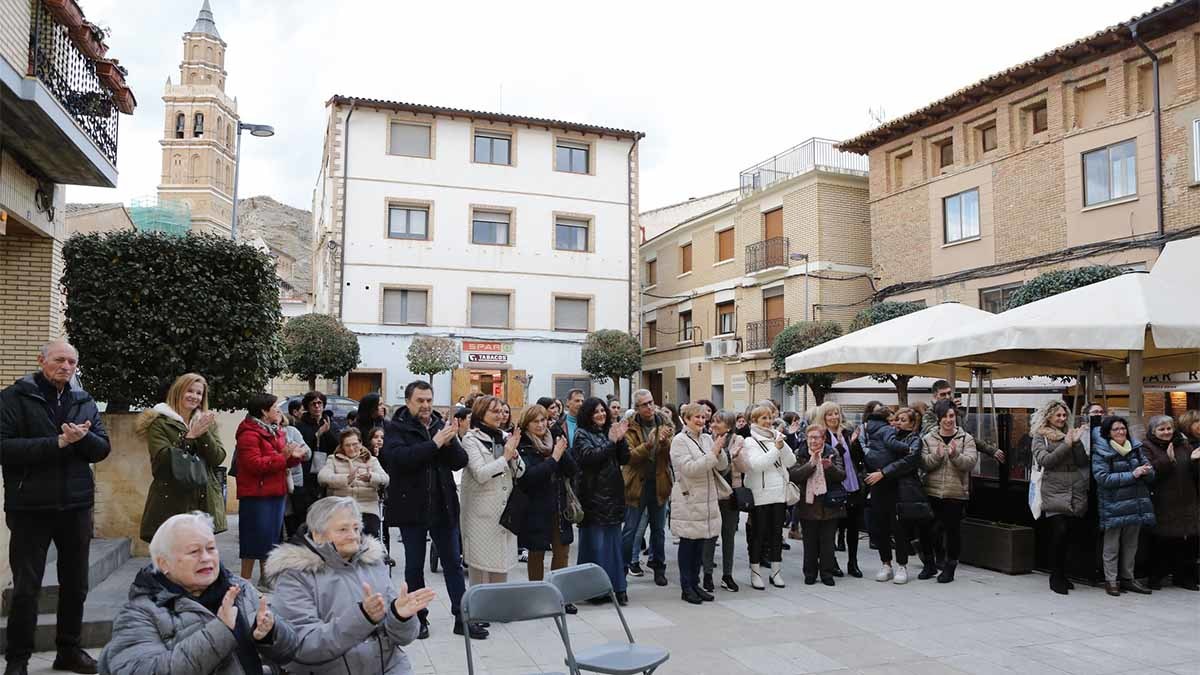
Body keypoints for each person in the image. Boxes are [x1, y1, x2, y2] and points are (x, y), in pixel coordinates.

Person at [0, 340, 110, 675]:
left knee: (75, 584)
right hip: (30, 507)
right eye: (59, 359)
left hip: (76, 506)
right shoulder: (13, 398)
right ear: (41, 361)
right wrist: (58, 442)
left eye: (72, 362)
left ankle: (69, 651)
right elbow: (4, 447)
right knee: (25, 588)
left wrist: (82, 439)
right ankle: (18, 660)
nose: (66, 366)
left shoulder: (83, 400)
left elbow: (101, 448)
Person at [99, 512, 298, 675]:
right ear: (163, 563)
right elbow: (140, 670)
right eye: (194, 552)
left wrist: (269, 634)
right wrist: (219, 632)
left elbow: (290, 650)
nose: (206, 558)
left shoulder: (239, 588)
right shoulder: (140, 613)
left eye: (211, 548)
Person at [265, 497, 435, 674]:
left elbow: (403, 638)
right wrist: (362, 618)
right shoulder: (295, 576)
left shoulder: (372, 562)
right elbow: (304, 645)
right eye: (343, 529)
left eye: (356, 528)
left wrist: (400, 616)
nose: (353, 535)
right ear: (318, 534)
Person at [381, 381, 478, 639]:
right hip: (411, 508)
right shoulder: (395, 428)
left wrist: (450, 443)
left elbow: (460, 463)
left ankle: (462, 617)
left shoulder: (438, 424)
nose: (425, 406)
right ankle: (418, 619)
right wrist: (435, 444)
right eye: (420, 401)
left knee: (453, 564)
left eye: (429, 400)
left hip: (443, 506)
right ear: (408, 402)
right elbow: (399, 460)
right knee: (414, 567)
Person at [137, 373, 226, 545]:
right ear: (178, 391)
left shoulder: (206, 421)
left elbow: (218, 458)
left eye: (199, 393)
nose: (194, 396)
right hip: (171, 500)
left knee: (199, 554)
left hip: (203, 499)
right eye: (190, 391)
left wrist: (203, 432)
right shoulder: (158, 422)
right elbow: (162, 459)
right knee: (174, 556)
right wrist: (190, 437)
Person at [235, 393, 307, 582]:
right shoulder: (248, 434)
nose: (279, 411)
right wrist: (284, 456)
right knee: (252, 540)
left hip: (276, 491)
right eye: (275, 407)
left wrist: (294, 456)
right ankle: (245, 581)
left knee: (270, 539)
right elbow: (254, 465)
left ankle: (266, 579)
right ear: (264, 411)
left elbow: (281, 462)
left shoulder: (275, 431)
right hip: (256, 494)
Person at [515, 405, 577, 611]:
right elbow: (529, 478)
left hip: (559, 505)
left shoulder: (554, 440)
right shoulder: (522, 445)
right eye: (536, 421)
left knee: (562, 551)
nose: (541, 425)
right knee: (537, 553)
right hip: (535, 507)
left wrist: (562, 451)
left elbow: (573, 470)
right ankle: (537, 597)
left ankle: (560, 596)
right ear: (526, 424)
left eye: (544, 420)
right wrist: (554, 458)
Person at [459, 396, 526, 585]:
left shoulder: (504, 437)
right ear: (481, 414)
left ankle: (498, 612)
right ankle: (478, 614)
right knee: (480, 574)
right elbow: (480, 473)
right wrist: (505, 457)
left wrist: (514, 456)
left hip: (505, 515)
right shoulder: (471, 440)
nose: (500, 416)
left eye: (502, 411)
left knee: (501, 570)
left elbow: (520, 472)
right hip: (481, 516)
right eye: (494, 412)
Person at [573, 396, 631, 605]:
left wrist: (621, 439)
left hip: (613, 496)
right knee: (595, 545)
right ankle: (594, 590)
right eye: (596, 411)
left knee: (613, 545)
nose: (601, 414)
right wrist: (611, 442)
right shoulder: (581, 434)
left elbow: (624, 459)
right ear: (588, 415)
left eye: (603, 411)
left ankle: (617, 586)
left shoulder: (610, 431)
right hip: (593, 497)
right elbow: (590, 458)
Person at [669, 403, 728, 604]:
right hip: (689, 499)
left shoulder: (705, 438)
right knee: (688, 544)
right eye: (697, 418)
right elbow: (690, 469)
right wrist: (713, 453)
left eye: (704, 418)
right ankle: (687, 587)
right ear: (686, 419)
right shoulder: (679, 441)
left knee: (700, 544)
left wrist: (719, 452)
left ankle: (696, 584)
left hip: (706, 499)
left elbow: (721, 466)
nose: (702, 421)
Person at [1092, 415, 1156, 596]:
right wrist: (1133, 475)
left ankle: (1128, 578)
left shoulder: (1135, 448)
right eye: (1116, 429)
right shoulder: (1102, 451)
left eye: (1123, 428)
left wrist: (1147, 472)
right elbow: (1102, 478)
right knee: (1111, 545)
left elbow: (1150, 472)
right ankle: (1111, 581)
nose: (1121, 432)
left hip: (1136, 502)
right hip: (1113, 504)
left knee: (1131, 544)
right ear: (1108, 433)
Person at [1029, 400, 1089, 594]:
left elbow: (1081, 461)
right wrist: (1066, 444)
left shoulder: (1069, 434)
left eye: (1064, 415)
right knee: (1059, 533)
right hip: (1053, 488)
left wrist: (1077, 443)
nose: (1062, 419)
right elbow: (1045, 460)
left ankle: (1063, 574)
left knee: (1069, 535)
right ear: (1049, 417)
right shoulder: (1040, 436)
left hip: (1074, 488)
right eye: (1058, 416)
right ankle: (1055, 575)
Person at [862, 407, 927, 584]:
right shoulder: (886, 434)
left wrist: (883, 472)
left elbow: (909, 461)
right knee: (880, 527)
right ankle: (885, 564)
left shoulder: (913, 439)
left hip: (900, 488)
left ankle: (902, 565)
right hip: (880, 487)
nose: (897, 422)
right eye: (896, 419)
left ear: (913, 423)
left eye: (903, 420)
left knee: (899, 528)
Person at [919, 399, 978, 584]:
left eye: (951, 416)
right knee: (929, 530)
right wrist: (936, 456)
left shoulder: (965, 438)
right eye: (944, 416)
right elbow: (924, 464)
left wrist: (954, 455)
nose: (948, 420)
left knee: (952, 532)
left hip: (955, 492)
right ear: (938, 418)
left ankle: (950, 567)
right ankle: (929, 563)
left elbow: (970, 463)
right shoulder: (928, 438)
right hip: (931, 490)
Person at [621, 389, 674, 587]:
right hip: (636, 484)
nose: (649, 407)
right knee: (630, 531)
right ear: (637, 407)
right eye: (644, 404)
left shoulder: (665, 423)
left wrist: (665, 442)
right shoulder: (628, 426)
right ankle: (623, 569)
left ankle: (658, 567)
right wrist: (650, 443)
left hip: (659, 483)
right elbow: (630, 457)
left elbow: (672, 454)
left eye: (651, 402)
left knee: (659, 530)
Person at [1140, 415, 1198, 591]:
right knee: (1162, 541)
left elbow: (1194, 473)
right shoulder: (1146, 447)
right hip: (1162, 500)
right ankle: (1156, 576)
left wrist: (1196, 461)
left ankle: (1184, 577)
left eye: (1169, 428)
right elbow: (1149, 473)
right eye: (1162, 429)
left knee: (1188, 541)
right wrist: (1167, 459)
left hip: (1187, 499)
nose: (1167, 432)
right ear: (1153, 431)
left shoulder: (1184, 445)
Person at [743, 403, 796, 590]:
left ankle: (776, 571)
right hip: (760, 495)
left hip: (779, 494)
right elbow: (757, 464)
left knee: (776, 534)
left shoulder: (777, 437)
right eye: (763, 418)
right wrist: (776, 449)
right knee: (758, 535)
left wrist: (782, 445)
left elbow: (791, 461)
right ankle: (755, 572)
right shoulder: (750, 441)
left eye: (770, 417)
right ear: (754, 421)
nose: (768, 422)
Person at [809, 402, 864, 578]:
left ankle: (853, 563)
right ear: (823, 417)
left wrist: (854, 443)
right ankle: (831, 562)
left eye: (836, 413)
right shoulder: (821, 436)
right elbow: (831, 459)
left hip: (852, 485)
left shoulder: (847, 433)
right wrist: (841, 443)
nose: (834, 417)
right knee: (831, 528)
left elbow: (859, 458)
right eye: (829, 414)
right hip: (833, 487)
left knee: (853, 528)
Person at [790, 424, 846, 586]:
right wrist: (811, 464)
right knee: (810, 542)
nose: (813, 441)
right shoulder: (799, 453)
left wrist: (830, 468)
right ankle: (810, 573)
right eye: (810, 437)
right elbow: (794, 475)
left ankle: (827, 573)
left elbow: (842, 476)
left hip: (830, 505)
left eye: (817, 437)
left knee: (828, 543)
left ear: (824, 439)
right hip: (808, 505)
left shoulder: (832, 452)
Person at [319, 428, 390, 540]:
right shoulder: (333, 459)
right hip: (340, 507)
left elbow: (385, 479)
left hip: (367, 507)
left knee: (368, 533)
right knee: (342, 534)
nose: (352, 448)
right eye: (347, 445)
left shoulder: (371, 460)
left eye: (355, 444)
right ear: (342, 446)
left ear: (361, 443)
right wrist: (346, 479)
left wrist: (371, 477)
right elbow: (322, 477)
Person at [703, 411, 745, 592]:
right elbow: (711, 466)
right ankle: (707, 574)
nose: (713, 424)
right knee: (710, 536)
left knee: (728, 536)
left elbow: (744, 468)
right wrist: (728, 454)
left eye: (718, 422)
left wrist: (737, 456)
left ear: (728, 426)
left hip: (730, 495)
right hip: (711, 494)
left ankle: (727, 575)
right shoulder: (706, 440)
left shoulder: (738, 440)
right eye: (713, 421)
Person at [921, 380, 1006, 463]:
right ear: (935, 396)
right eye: (943, 394)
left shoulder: (956, 412)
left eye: (949, 393)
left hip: (958, 461)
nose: (947, 397)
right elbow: (935, 434)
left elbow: (967, 436)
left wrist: (989, 449)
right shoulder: (929, 414)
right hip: (937, 462)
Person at [291, 391, 338, 537]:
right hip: (306, 474)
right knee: (305, 511)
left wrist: (327, 432)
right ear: (307, 406)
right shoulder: (301, 426)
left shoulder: (329, 423)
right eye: (314, 404)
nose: (317, 407)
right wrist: (317, 435)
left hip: (325, 471)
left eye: (320, 404)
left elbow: (336, 445)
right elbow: (302, 448)